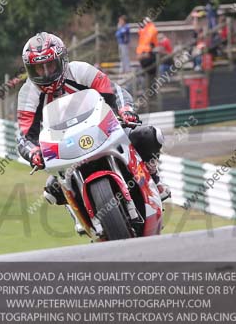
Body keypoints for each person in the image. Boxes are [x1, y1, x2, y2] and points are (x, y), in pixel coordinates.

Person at [16, 32, 170, 234]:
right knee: (52, 190)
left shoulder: (80, 71)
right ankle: (77, 212)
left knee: (148, 136)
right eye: (38, 68)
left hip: (101, 129)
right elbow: (24, 135)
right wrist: (34, 152)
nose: (45, 73)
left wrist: (125, 111)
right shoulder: (28, 94)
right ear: (30, 70)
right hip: (64, 144)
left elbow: (115, 92)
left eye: (50, 65)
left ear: (62, 61)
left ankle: (154, 179)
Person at [136, 17, 158, 89]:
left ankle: (150, 93)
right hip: (146, 56)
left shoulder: (150, 30)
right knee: (147, 77)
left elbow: (151, 42)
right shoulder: (147, 30)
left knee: (150, 77)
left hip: (148, 56)